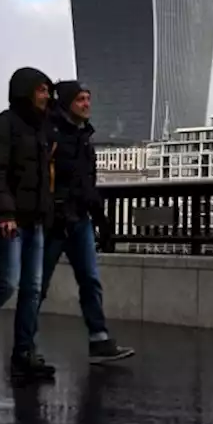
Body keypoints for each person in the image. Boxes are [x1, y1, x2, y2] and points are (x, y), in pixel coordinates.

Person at [0, 67, 56, 381]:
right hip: (12, 221)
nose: (46, 96)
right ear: (26, 92)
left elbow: (44, 179)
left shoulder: (42, 129)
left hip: (36, 220)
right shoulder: (3, 126)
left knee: (32, 289)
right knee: (9, 282)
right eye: (41, 90)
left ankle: (24, 352)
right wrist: (5, 214)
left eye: (48, 90)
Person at [41, 81, 134, 363]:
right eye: (80, 99)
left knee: (90, 281)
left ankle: (99, 340)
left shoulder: (84, 137)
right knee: (38, 285)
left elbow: (87, 185)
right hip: (54, 223)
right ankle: (24, 346)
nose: (86, 104)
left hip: (79, 220)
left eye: (88, 99)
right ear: (67, 102)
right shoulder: (51, 134)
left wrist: (101, 220)